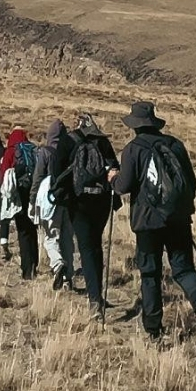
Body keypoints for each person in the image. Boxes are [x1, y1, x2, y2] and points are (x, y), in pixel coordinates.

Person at [110, 101, 196, 346]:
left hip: (147, 223)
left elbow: (123, 186)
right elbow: (191, 182)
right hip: (178, 219)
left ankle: (154, 328)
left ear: (135, 126)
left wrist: (113, 178)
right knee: (183, 269)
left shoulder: (133, 149)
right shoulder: (175, 145)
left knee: (150, 274)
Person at [58, 113, 119, 319]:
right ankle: (98, 294)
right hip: (101, 201)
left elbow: (56, 169)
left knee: (85, 246)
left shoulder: (68, 140)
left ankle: (94, 300)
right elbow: (114, 169)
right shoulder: (102, 141)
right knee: (96, 245)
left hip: (78, 201)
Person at [32, 119, 73, 288]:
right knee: (67, 240)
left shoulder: (45, 152)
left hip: (50, 200)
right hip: (68, 200)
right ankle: (68, 279)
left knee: (50, 237)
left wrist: (32, 198)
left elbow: (38, 176)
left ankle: (57, 264)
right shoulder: (71, 150)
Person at [0, 127, 39, 278]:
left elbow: (3, 174)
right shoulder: (33, 149)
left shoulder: (10, 151)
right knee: (32, 230)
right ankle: (35, 264)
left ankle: (27, 269)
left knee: (23, 232)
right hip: (34, 194)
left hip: (19, 194)